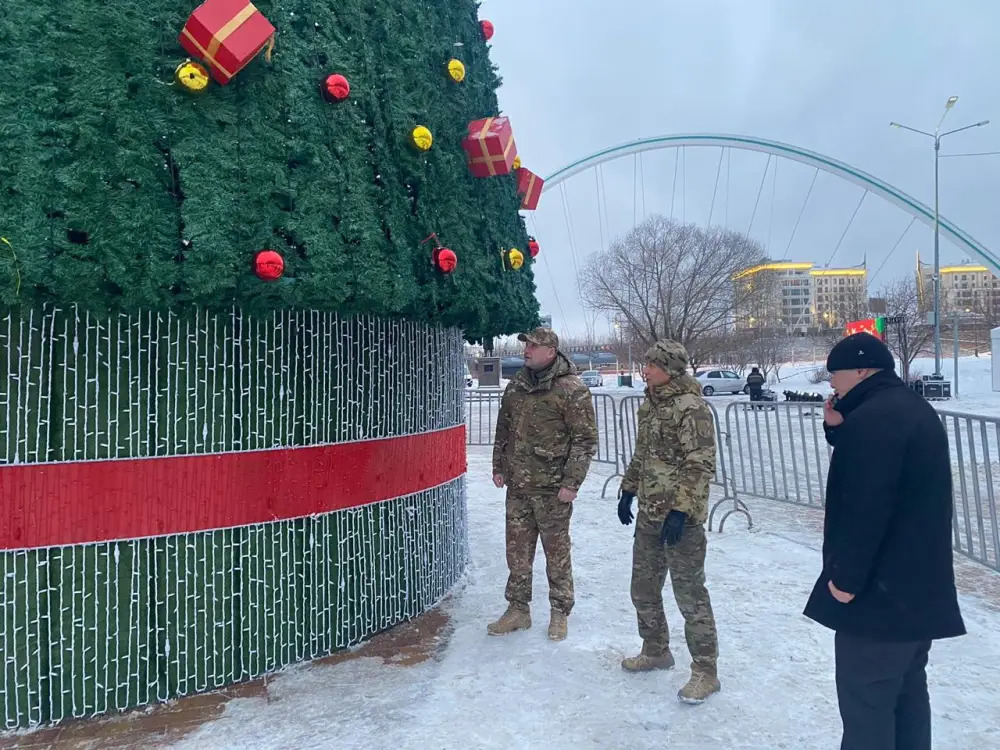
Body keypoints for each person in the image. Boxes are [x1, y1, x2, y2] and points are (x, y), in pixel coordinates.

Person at [803, 332, 965, 750]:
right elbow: (887, 469)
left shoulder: (875, 421)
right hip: (914, 591)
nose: (830, 383)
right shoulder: (906, 407)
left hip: (879, 597)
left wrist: (846, 578)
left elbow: (866, 505)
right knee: (907, 696)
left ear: (861, 370)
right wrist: (839, 429)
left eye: (834, 373)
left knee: (867, 705)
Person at [617, 340, 720, 704]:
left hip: (680, 521)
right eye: (646, 364)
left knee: (690, 595)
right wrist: (629, 489)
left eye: (651, 365)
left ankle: (706, 671)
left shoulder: (692, 408)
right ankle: (656, 649)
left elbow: (700, 463)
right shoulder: (652, 404)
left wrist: (681, 510)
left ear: (670, 370)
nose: (645, 370)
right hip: (649, 513)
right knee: (643, 588)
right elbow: (643, 454)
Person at [489, 327, 598, 641]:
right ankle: (518, 610)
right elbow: (503, 429)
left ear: (550, 352)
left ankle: (560, 611)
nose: (527, 350)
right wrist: (499, 465)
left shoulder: (571, 389)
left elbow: (584, 440)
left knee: (557, 553)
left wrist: (572, 483)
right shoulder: (517, 386)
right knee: (517, 552)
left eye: (534, 346)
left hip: (553, 489)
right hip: (519, 486)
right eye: (526, 345)